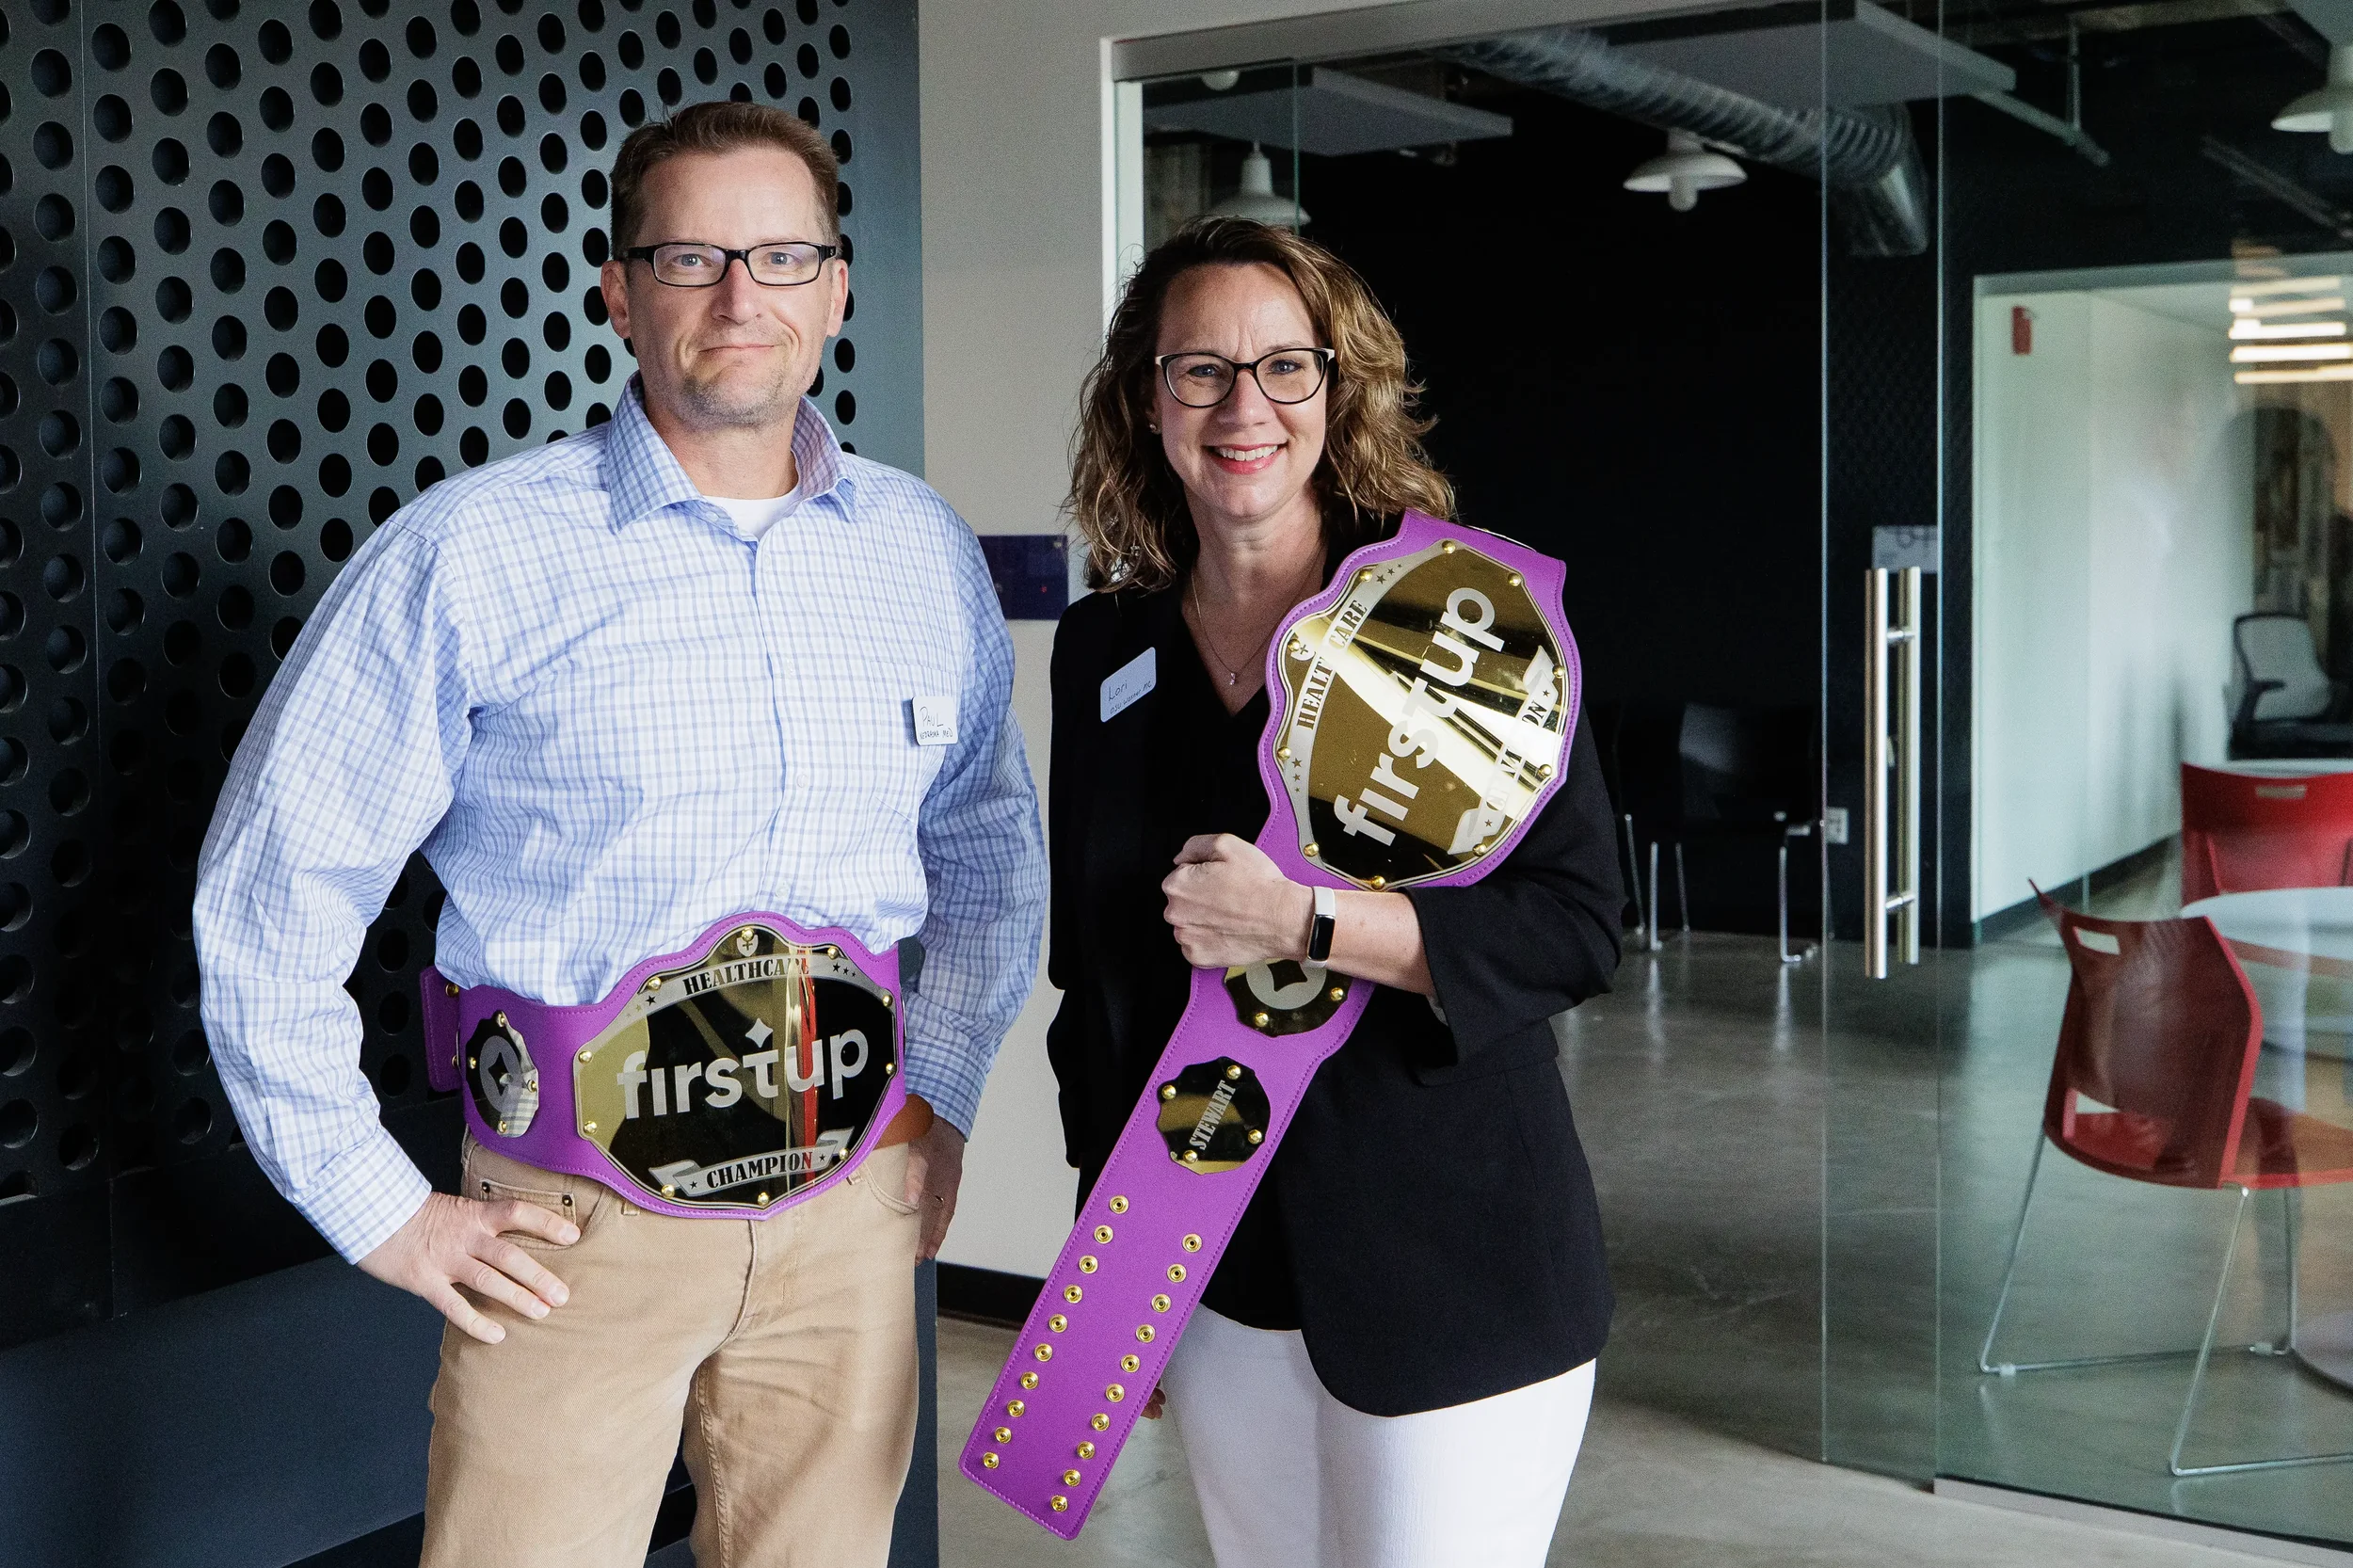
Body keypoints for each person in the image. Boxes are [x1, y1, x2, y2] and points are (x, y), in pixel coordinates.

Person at [193, 102, 1045, 1568]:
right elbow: (272, 887)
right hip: (571, 1226)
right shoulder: (474, 552)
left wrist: (945, 1091)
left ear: (838, 288)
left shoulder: (920, 549)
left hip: (850, 1209)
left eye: (782, 256)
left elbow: (985, 844)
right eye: (691, 255)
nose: (740, 297)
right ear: (617, 286)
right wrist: (382, 1209)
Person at [1046, 216, 1622, 1568]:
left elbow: (1579, 922)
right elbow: (1100, 976)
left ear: (1335, 389)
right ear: (1149, 398)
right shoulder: (1106, 649)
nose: (1244, 407)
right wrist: (1114, 1267)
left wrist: (1307, 922)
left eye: (1284, 367)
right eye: (1200, 371)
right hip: (1212, 1268)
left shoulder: (1451, 618)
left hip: (1453, 1265)